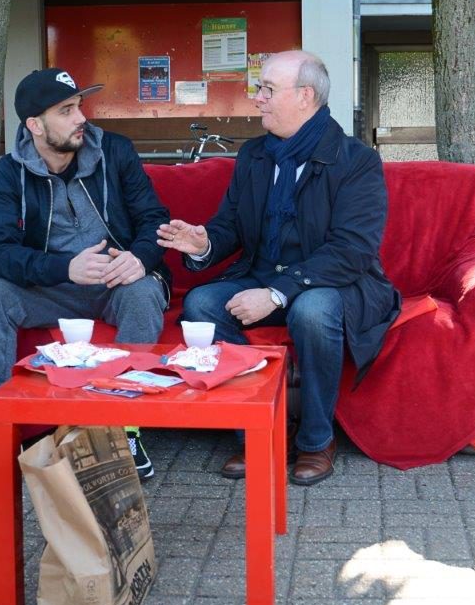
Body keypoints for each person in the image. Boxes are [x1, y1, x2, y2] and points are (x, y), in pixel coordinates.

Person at [157, 51, 400, 486]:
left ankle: (315, 440)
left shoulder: (354, 160)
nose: (257, 99)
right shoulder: (255, 156)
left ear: (305, 96)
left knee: (313, 309)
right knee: (201, 304)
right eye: (259, 88)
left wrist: (277, 292)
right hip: (264, 274)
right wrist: (204, 242)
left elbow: (352, 250)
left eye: (267, 89)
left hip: (335, 283)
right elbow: (231, 225)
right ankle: (260, 430)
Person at [0, 68, 170, 486]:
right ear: (35, 125)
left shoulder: (115, 152)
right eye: (66, 110)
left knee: (143, 292)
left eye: (79, 105)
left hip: (115, 281)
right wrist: (65, 268)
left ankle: (124, 426)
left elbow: (154, 219)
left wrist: (140, 257)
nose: (81, 117)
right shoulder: (12, 171)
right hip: (50, 287)